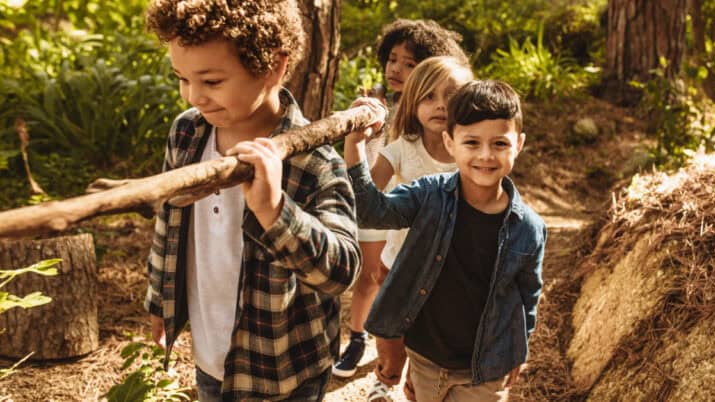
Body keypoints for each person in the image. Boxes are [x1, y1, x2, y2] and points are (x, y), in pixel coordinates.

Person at [142, 1, 361, 400]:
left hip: (284, 370)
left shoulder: (314, 162)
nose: (194, 97)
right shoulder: (187, 134)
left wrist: (275, 211)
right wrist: (161, 300)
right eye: (182, 79)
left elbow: (342, 271)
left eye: (212, 81)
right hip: (211, 357)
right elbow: (169, 222)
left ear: (274, 66)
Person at [345, 80, 547, 402]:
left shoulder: (529, 228)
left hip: (486, 368)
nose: (485, 155)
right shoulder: (429, 195)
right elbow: (371, 212)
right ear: (450, 142)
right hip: (426, 358)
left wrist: (519, 348)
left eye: (499, 143)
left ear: (518, 144)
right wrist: (355, 144)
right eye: (471, 142)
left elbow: (527, 294)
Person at [335, 16, 469, 398]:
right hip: (398, 258)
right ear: (414, 101)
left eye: (449, 98)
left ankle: (418, 383)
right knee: (391, 334)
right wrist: (355, 145)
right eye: (429, 97)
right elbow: (367, 194)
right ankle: (384, 373)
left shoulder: (469, 151)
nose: (439, 105)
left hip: (446, 267)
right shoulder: (400, 145)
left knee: (429, 340)